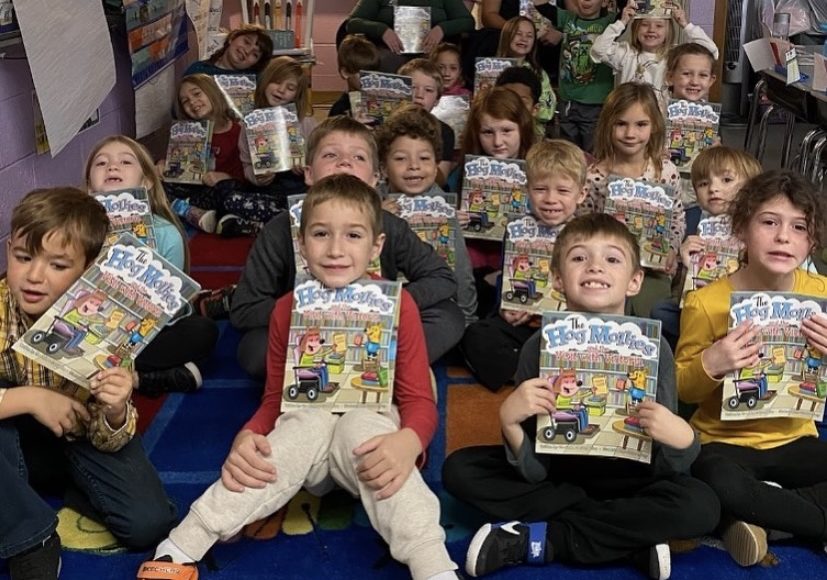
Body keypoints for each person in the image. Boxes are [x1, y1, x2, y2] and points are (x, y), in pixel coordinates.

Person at [137, 174, 460, 580]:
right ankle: (183, 544)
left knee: (362, 429)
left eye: (354, 236)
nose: (337, 249)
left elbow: (417, 400)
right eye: (321, 234)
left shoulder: (400, 306)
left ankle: (433, 567)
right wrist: (249, 435)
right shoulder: (287, 309)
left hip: (372, 441)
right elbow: (274, 399)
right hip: (304, 442)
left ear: (376, 246)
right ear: (302, 244)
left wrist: (408, 441)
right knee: (302, 425)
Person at [443, 213, 719, 579]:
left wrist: (683, 439)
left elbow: (669, 464)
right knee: (459, 470)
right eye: (578, 257)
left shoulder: (657, 351)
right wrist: (509, 422)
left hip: (634, 478)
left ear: (635, 280)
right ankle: (628, 538)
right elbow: (534, 471)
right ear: (558, 279)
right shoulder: (534, 348)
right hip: (559, 477)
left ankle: (545, 538)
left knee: (702, 505)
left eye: (612, 258)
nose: (595, 266)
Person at [0, 188, 176, 579]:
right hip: (12, 424)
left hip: (75, 434)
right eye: (23, 257)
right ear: (9, 248)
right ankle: (32, 537)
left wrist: (115, 409)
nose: (34, 276)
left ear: (88, 270)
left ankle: (31, 483)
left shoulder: (108, 322)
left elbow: (110, 435)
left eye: (58, 265)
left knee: (149, 523)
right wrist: (29, 398)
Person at [230, 115, 462, 379]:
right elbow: (244, 309)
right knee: (253, 351)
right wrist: (314, 307)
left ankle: (379, 372)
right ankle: (349, 375)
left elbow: (443, 278)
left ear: (375, 178)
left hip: (373, 331)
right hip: (306, 334)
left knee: (449, 316)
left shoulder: (389, 225)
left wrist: (388, 302)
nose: (344, 162)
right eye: (330, 155)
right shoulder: (279, 229)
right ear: (308, 173)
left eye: (359, 158)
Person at [676, 170, 827, 568]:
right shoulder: (706, 302)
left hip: (796, 439)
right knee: (713, 484)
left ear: (811, 240)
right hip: (723, 445)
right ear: (742, 229)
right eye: (769, 222)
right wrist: (712, 362)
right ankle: (798, 517)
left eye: (799, 227)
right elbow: (681, 390)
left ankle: (757, 517)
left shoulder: (822, 294)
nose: (783, 237)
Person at [86, 136, 219, 396]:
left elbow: (166, 312)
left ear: (146, 182)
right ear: (90, 188)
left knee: (201, 331)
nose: (113, 167)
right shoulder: (77, 231)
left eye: (125, 161)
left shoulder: (165, 234)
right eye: (102, 163)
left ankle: (130, 378)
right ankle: (150, 378)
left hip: (143, 333)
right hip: (94, 326)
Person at [461, 139, 588, 391]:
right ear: (527, 190)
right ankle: (532, 373)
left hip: (567, 328)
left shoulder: (588, 236)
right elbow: (507, 278)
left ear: (581, 194)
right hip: (523, 327)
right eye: (541, 189)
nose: (550, 199)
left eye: (562, 191)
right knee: (476, 335)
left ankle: (542, 370)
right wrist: (505, 308)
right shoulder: (517, 230)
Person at [579, 82, 685, 318]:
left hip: (653, 270)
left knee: (652, 314)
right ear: (608, 125)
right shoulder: (595, 177)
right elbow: (583, 227)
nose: (630, 134)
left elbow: (677, 219)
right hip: (606, 268)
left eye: (641, 125)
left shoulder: (665, 172)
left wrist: (672, 249)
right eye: (621, 124)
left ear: (654, 127)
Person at [651, 147, 762, 350]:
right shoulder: (695, 222)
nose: (713, 188)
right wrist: (687, 263)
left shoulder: (760, 226)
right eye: (703, 184)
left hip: (746, 310)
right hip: (702, 307)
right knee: (661, 311)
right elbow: (685, 294)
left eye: (726, 180)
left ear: (752, 186)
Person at [376, 104, 477, 325]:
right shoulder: (372, 203)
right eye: (401, 159)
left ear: (435, 166)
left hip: (434, 306)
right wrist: (375, 218)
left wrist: (467, 318)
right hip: (381, 304)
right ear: (383, 168)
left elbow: (461, 269)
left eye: (424, 158)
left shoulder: (444, 209)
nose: (414, 166)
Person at [219, 56, 320, 236]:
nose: (281, 90)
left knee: (314, 205)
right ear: (266, 81)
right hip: (265, 192)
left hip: (299, 190)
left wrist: (306, 168)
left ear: (297, 94)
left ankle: (263, 225)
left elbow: (320, 158)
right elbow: (246, 165)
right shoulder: (249, 123)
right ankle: (284, 223)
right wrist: (258, 177)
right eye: (277, 82)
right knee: (230, 199)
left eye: (290, 88)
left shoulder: (305, 121)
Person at [590, 0, 718, 109]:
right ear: (635, 28)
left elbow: (711, 53)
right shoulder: (626, 53)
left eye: (659, 26)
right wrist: (622, 22)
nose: (651, 30)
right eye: (645, 25)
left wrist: (685, 24)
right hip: (632, 116)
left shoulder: (674, 55)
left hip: (662, 120)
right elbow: (598, 50)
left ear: (668, 31)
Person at [162, 74, 247, 234]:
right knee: (157, 183)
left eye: (197, 94)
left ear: (212, 93)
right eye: (185, 101)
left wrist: (226, 177)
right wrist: (163, 165)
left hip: (219, 191)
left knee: (231, 191)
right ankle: (187, 210)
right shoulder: (186, 133)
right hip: (192, 190)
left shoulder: (238, 131)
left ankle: (184, 209)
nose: (192, 102)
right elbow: (175, 168)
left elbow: (246, 176)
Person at [539, 0, 617, 151]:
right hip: (567, 102)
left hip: (596, 104)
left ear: (604, 2)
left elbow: (627, 9)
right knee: (568, 153)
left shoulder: (610, 22)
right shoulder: (567, 18)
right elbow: (540, 5)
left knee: (592, 154)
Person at [663, 42, 719, 213]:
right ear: (670, 77)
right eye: (686, 74)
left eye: (703, 75)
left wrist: (716, 152)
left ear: (711, 80)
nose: (694, 81)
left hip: (696, 195)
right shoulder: (656, 111)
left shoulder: (710, 117)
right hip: (664, 190)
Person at [346, 0, 475, 74]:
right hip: (390, 52)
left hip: (431, 52)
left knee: (438, 64)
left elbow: (468, 22)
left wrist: (441, 29)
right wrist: (382, 30)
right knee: (385, 62)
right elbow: (352, 23)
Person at [495, 16, 556, 137]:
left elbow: (548, 111)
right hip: (498, 132)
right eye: (518, 34)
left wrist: (524, 106)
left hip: (530, 134)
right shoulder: (488, 68)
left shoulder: (538, 73)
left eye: (529, 36)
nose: (524, 39)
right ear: (507, 36)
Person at [398, 58, 456, 183]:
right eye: (413, 87)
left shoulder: (444, 132)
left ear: (437, 101)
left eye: (428, 90)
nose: (419, 94)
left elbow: (441, 181)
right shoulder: (386, 126)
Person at [184, 24, 273, 76]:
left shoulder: (254, 83)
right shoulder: (198, 70)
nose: (247, 51)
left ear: (256, 64)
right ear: (232, 38)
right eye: (246, 42)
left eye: (255, 54)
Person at [329, 34, 381, 117]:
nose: (370, 79)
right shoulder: (339, 109)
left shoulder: (379, 100)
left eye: (373, 73)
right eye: (363, 74)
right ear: (345, 73)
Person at [495, 65, 544, 139]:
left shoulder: (542, 149)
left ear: (535, 109)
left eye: (521, 102)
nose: (513, 107)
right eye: (507, 100)